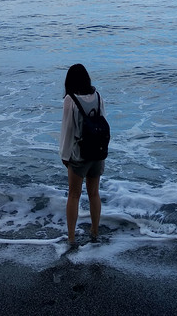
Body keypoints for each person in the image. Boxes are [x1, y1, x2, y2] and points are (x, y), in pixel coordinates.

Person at [59, 63, 107, 244]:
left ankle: (71, 237)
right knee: (94, 193)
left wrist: (65, 156)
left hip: (79, 155)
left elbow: (67, 130)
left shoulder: (70, 100)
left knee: (74, 195)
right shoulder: (98, 96)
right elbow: (102, 124)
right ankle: (95, 231)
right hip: (98, 153)